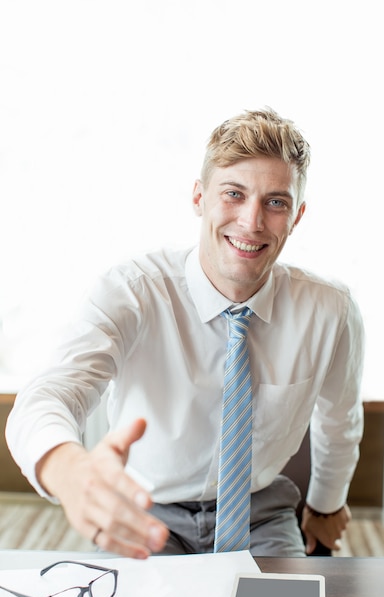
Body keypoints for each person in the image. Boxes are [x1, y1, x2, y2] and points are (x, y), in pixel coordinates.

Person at [6, 107, 364, 560]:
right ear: (199, 198)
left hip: (262, 511)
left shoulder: (331, 311)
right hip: (148, 508)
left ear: (297, 216)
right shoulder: (131, 290)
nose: (252, 222)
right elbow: (48, 393)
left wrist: (326, 504)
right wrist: (67, 468)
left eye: (276, 202)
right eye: (233, 194)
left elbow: (340, 421)